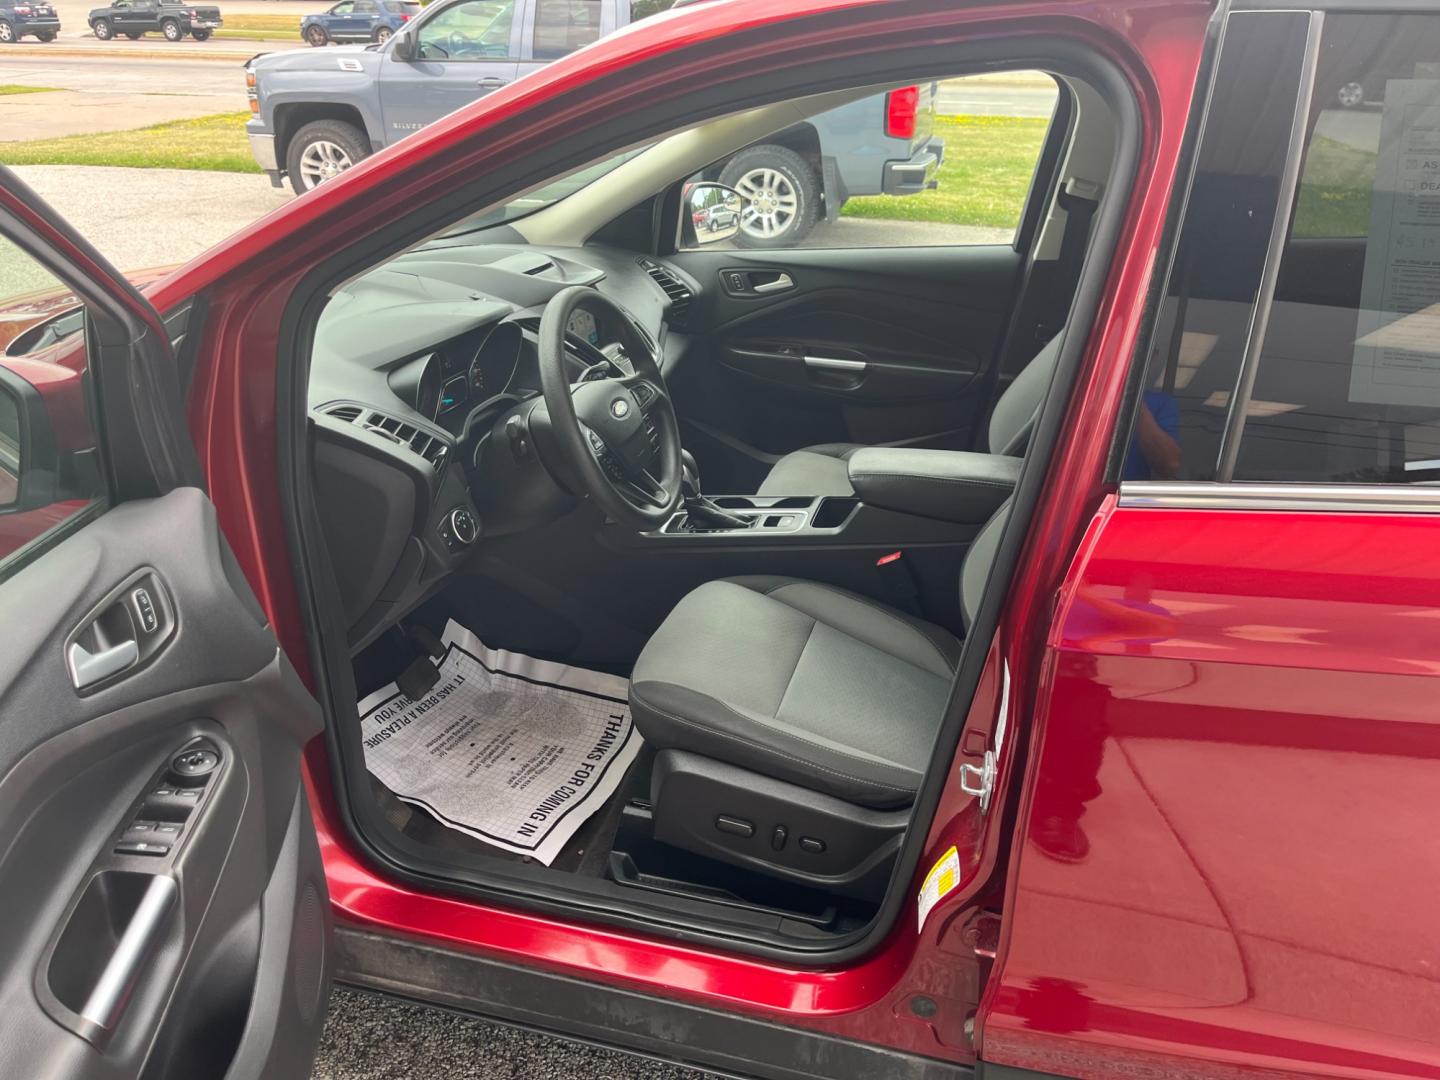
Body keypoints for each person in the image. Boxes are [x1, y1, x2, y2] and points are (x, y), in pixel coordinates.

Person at [1122, 389, 1181, 480]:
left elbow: (1170, 465)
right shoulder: (1093, 395)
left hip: (1129, 491)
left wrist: (1135, 400)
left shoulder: (1159, 403)